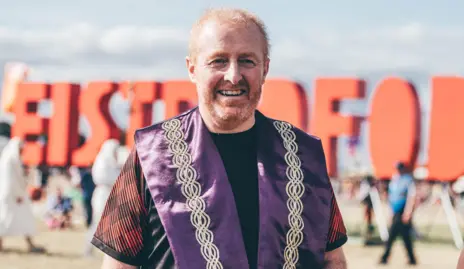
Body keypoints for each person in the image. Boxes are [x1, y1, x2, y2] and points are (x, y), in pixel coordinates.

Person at [91, 8, 348, 269]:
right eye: (218, 61)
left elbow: (332, 259)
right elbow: (118, 265)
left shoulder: (304, 156)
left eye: (247, 60)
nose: (233, 76)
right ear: (192, 69)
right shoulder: (149, 155)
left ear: (265, 68)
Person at [0, 137, 44, 253]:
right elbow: (10, 181)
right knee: (5, 219)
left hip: (16, 196)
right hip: (11, 196)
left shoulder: (13, 159)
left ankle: (30, 244)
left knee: (25, 219)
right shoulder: (10, 160)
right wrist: (17, 195)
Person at [84, 138, 121, 257]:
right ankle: (88, 250)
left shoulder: (112, 163)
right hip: (103, 195)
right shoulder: (102, 162)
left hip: (111, 195)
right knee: (97, 224)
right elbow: (104, 178)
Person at [380, 162, 417, 265]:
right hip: (395, 212)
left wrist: (408, 212)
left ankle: (384, 258)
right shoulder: (394, 180)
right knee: (403, 237)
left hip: (403, 212)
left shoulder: (408, 180)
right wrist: (390, 212)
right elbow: (391, 198)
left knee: (393, 236)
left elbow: (411, 197)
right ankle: (411, 259)